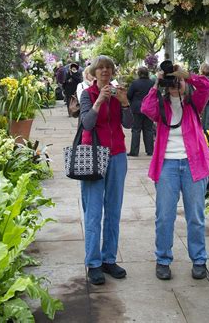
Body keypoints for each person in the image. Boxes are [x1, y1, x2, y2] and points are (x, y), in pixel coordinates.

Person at [141, 60, 209, 282]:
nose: (174, 85)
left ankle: (199, 261)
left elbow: (207, 87)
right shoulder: (160, 105)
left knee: (196, 217)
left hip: (194, 165)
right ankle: (163, 260)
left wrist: (187, 75)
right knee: (164, 216)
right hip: (167, 166)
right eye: (171, 82)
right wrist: (157, 83)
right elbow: (145, 108)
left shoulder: (193, 103)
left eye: (177, 81)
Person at [79, 54, 133, 285]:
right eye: (100, 68)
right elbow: (87, 123)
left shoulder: (118, 92)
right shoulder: (87, 94)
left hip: (118, 155)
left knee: (113, 210)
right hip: (93, 154)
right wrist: (99, 100)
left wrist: (124, 102)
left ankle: (109, 259)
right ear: (93, 72)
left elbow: (130, 124)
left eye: (108, 68)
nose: (104, 71)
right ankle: (93, 263)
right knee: (93, 211)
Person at [127, 67, 155, 156]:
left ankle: (134, 152)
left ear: (139, 73)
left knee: (136, 130)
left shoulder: (135, 83)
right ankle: (150, 150)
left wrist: (132, 102)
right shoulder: (152, 83)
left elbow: (129, 95)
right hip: (149, 109)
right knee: (149, 129)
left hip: (137, 108)